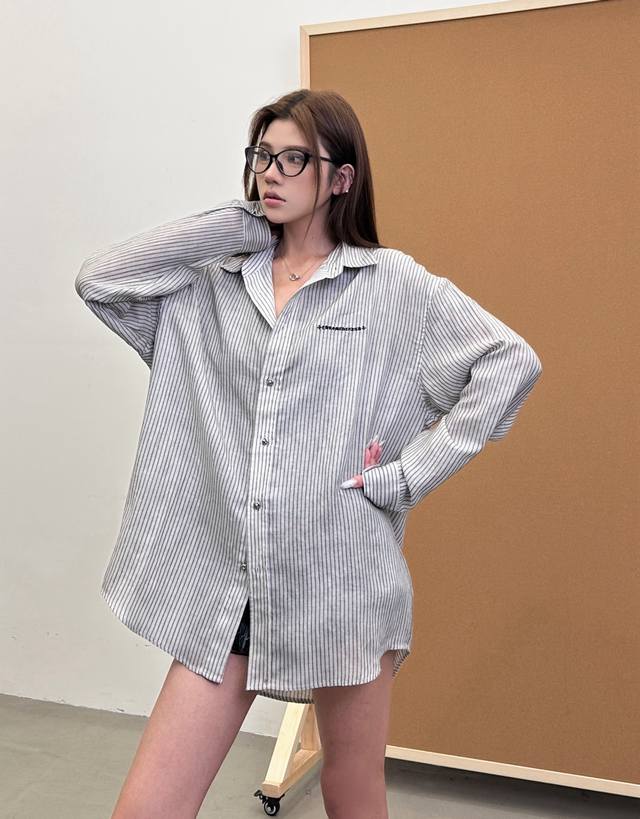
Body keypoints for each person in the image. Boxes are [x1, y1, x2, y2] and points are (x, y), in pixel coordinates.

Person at [75, 88, 542, 819]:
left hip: (342, 581)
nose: (272, 172)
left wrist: (409, 475)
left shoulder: (393, 287)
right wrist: (241, 220)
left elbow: (510, 362)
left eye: (294, 159)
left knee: (351, 790)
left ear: (342, 177)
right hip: (228, 585)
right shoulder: (212, 286)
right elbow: (100, 281)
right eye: (263, 156)